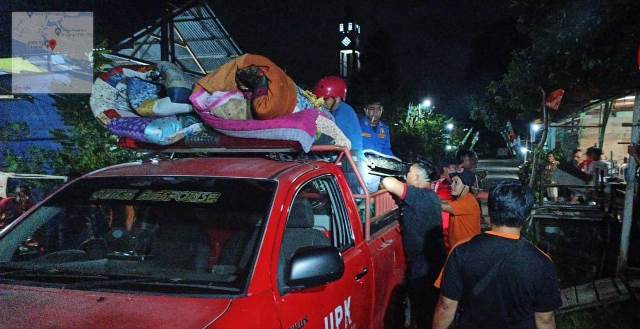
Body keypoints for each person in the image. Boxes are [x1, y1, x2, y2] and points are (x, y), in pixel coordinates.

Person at [433, 181, 562, 329]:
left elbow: (446, 306)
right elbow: (545, 319)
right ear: (527, 217)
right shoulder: (542, 262)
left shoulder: (462, 251)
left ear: (490, 211)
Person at [381, 163, 444, 329]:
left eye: (409, 172)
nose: (406, 176)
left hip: (424, 266)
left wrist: (387, 175)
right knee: (425, 310)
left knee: (423, 312)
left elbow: (388, 182)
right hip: (429, 262)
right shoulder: (430, 197)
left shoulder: (419, 196)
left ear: (416, 177)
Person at [313, 76, 364, 193]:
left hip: (350, 158)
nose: (322, 102)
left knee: (348, 194)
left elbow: (333, 136)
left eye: (325, 99)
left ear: (337, 98)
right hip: (346, 155)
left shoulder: (343, 113)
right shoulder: (335, 111)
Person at [359, 100, 396, 191]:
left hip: (378, 167)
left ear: (382, 111)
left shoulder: (384, 128)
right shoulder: (357, 125)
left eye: (378, 109)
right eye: (372, 109)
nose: (375, 112)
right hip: (361, 168)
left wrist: (393, 163)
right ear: (365, 110)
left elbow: (386, 149)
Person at [441, 176, 481, 251]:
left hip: (466, 250)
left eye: (456, 182)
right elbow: (442, 202)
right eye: (452, 182)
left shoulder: (468, 201)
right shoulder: (459, 199)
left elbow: (441, 206)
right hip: (460, 248)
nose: (452, 185)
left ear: (467, 186)